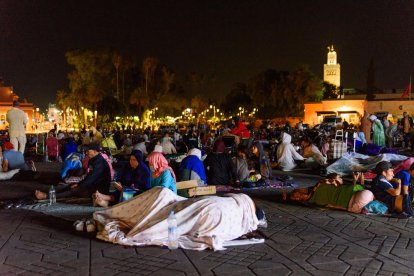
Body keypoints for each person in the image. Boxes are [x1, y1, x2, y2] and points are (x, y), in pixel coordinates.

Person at [93, 187, 266, 250]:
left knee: (165, 203)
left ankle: (113, 209)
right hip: (205, 209)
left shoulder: (237, 203)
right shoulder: (239, 226)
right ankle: (113, 208)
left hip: (202, 206)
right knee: (172, 213)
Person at [35, 143, 111, 201]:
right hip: (93, 184)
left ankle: (46, 197)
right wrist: (78, 183)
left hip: (100, 189)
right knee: (71, 185)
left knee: (74, 190)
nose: (86, 152)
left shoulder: (99, 163)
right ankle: (50, 193)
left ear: (95, 151)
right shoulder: (93, 159)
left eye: (88, 151)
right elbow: (89, 175)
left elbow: (92, 178)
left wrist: (80, 186)